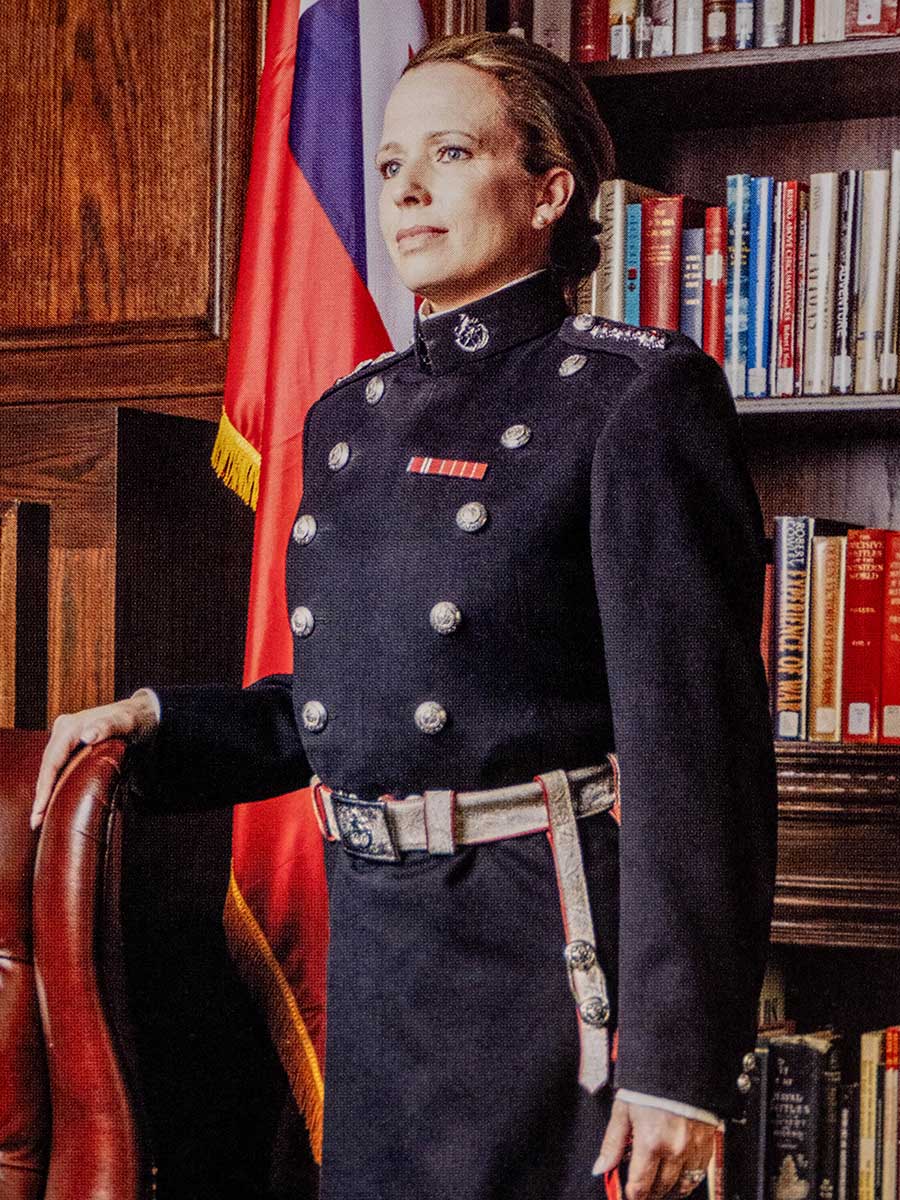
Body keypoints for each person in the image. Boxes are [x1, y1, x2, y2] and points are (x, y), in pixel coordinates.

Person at [32, 30, 778, 1200]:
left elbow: (702, 756)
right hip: (381, 959)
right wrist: (154, 721)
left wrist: (679, 1068)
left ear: (548, 192)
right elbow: (339, 714)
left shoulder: (635, 397)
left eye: (449, 151)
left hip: (544, 958)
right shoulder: (350, 416)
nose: (409, 190)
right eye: (388, 166)